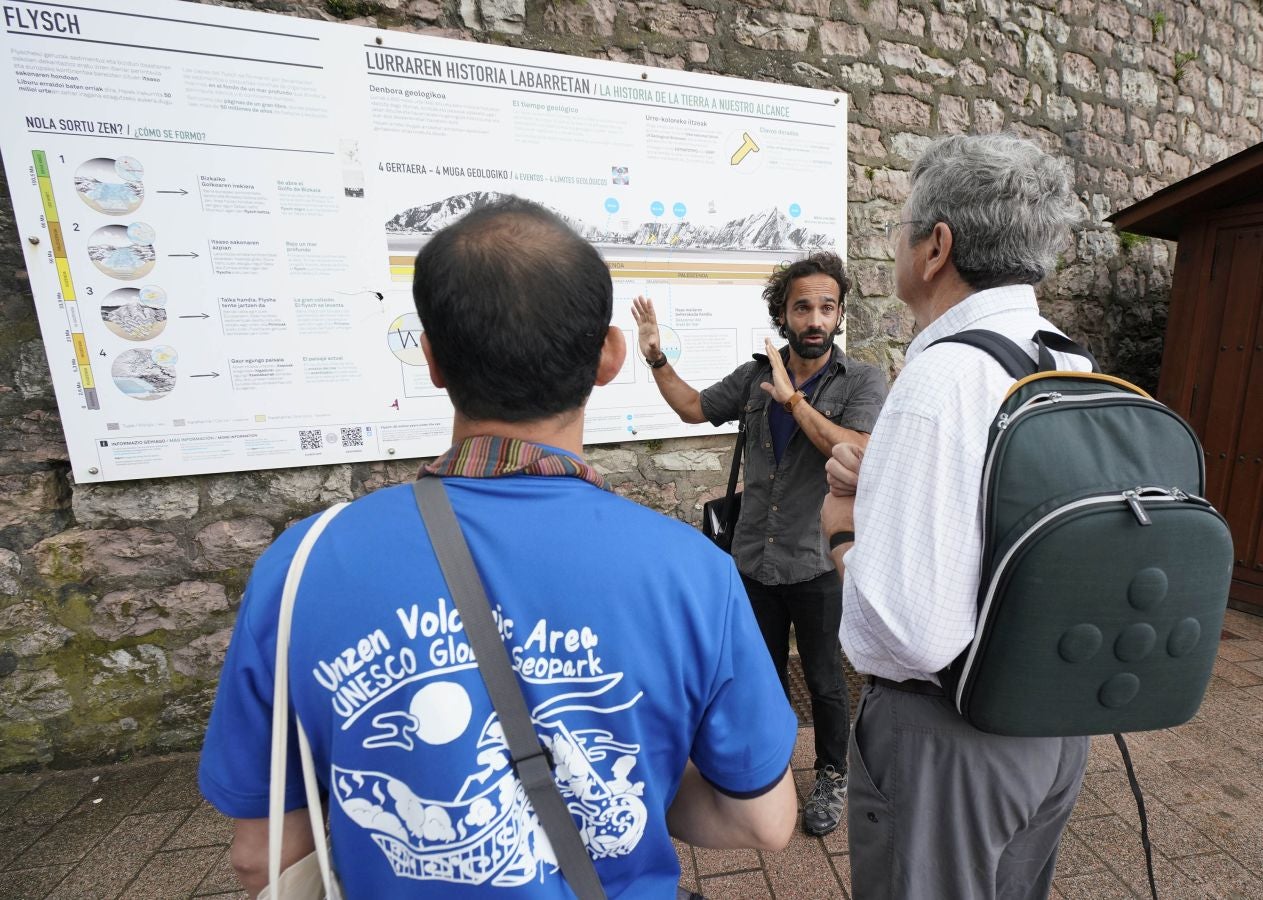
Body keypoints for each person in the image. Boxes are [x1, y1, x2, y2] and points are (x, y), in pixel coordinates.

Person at [199, 197, 799, 898]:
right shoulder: (693, 573)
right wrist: (614, 790)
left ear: (430, 359)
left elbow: (260, 858)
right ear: (609, 356)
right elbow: (763, 822)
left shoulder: (299, 566)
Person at [820, 133, 1092, 898]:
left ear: (935, 246)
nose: (894, 244)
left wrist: (842, 529)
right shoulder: (1066, 360)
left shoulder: (938, 376)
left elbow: (907, 631)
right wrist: (890, 483)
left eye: (899, 226)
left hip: (946, 743)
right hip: (1050, 728)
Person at [632, 252, 886, 837]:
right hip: (753, 559)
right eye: (803, 307)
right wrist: (656, 357)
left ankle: (831, 774)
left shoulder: (862, 381)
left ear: (840, 313)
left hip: (818, 559)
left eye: (827, 307)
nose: (815, 319)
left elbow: (857, 450)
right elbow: (692, 407)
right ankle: (764, 775)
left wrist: (792, 401)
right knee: (760, 675)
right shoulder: (753, 378)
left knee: (824, 680)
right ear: (783, 314)